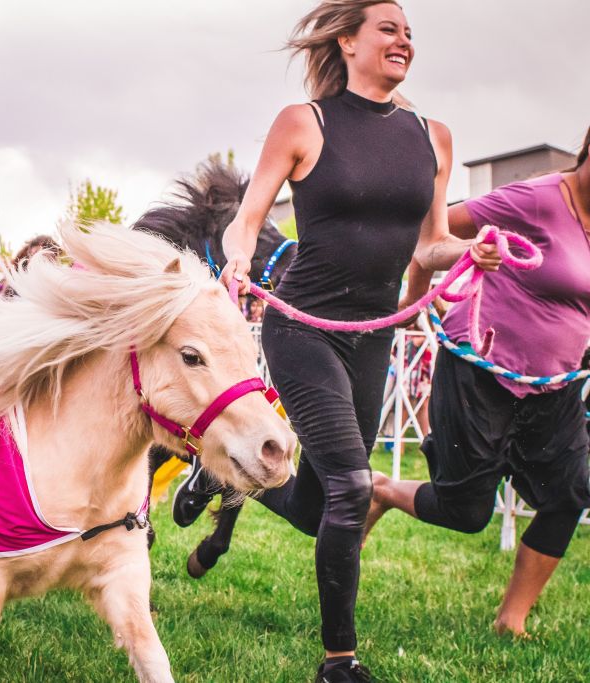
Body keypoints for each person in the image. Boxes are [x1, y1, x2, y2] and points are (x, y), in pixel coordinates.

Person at [218, 3, 500, 680]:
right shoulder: (304, 123)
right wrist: (235, 260)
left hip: (375, 336)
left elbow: (429, 245)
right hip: (303, 327)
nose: (403, 39)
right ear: (347, 41)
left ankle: (228, 477)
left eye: (409, 32)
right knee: (351, 486)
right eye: (388, 28)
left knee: (320, 508)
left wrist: (471, 250)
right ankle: (339, 660)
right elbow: (247, 218)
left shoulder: (433, 136)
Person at [368, 124, 590, 638]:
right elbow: (433, 235)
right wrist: (416, 299)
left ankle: (511, 619)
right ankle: (381, 490)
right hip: (480, 371)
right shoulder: (536, 199)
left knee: (568, 495)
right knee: (464, 511)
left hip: (554, 386)